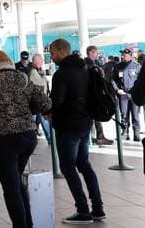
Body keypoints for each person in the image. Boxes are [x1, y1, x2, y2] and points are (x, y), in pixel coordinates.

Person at [0, 50, 51, 227]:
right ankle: (28, 224)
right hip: (28, 136)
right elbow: (45, 103)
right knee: (17, 183)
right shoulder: (23, 77)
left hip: (4, 140)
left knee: (11, 188)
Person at [49, 38, 105, 224]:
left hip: (67, 125)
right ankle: (98, 208)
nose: (52, 57)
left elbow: (56, 101)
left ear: (62, 51)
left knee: (67, 166)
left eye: (53, 53)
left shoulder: (62, 74)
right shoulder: (85, 68)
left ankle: (83, 210)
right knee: (84, 164)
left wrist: (47, 110)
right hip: (85, 123)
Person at [85, 46, 113, 145]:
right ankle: (92, 138)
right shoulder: (87, 63)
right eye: (95, 52)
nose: (97, 54)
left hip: (96, 93)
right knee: (93, 116)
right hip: (91, 93)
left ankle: (98, 137)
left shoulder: (96, 63)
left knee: (97, 115)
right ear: (90, 53)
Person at [112, 48, 141, 141]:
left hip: (134, 94)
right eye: (122, 54)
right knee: (124, 114)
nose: (122, 56)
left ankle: (136, 133)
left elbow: (141, 80)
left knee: (135, 115)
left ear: (130, 56)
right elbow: (112, 80)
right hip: (123, 93)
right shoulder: (118, 66)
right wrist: (117, 90)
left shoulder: (137, 66)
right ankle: (125, 132)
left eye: (124, 55)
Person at [29, 53, 53, 144]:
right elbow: (40, 85)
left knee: (40, 119)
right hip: (38, 102)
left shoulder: (34, 69)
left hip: (36, 102)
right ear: (38, 61)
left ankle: (49, 137)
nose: (43, 62)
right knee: (43, 119)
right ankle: (50, 138)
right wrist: (44, 77)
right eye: (42, 60)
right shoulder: (33, 71)